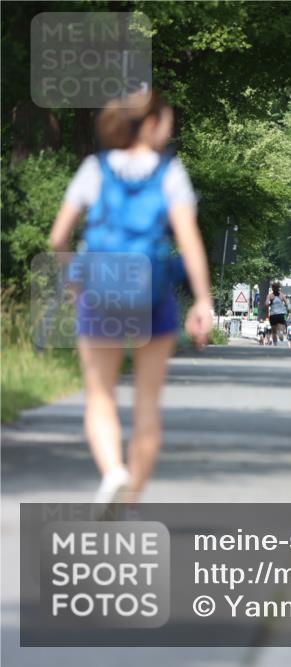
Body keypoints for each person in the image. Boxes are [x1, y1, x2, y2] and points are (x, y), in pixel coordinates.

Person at [48, 90, 211, 512]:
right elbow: (189, 241)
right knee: (146, 404)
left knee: (100, 395)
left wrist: (75, 278)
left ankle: (113, 473)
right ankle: (131, 501)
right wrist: (202, 300)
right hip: (151, 292)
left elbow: (58, 236)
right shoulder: (169, 174)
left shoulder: (94, 169)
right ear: (152, 124)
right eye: (168, 120)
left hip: (101, 290)